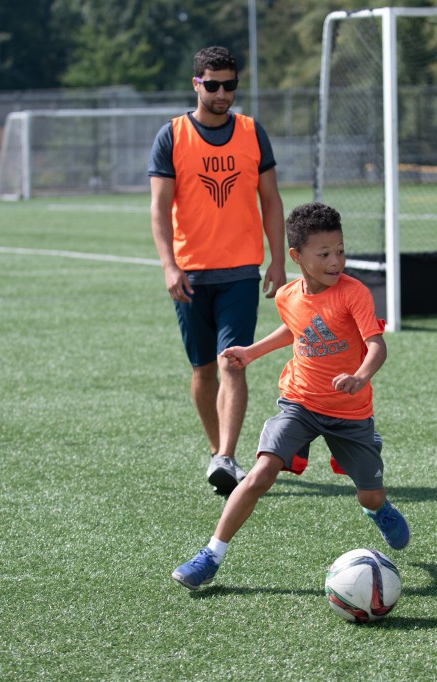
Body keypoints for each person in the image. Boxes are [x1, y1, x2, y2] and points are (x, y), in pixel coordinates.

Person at [171, 202, 410, 590]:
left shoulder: (355, 293)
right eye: (324, 254)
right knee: (261, 473)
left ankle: (378, 510)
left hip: (350, 412)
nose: (336, 261)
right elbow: (296, 328)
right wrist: (251, 352)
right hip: (299, 403)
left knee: (369, 495)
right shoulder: (287, 295)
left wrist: (361, 376)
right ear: (297, 257)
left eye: (340, 251)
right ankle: (211, 555)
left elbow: (376, 345)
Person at [148, 46, 286, 496]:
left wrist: (278, 259)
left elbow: (271, 199)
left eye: (230, 85)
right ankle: (217, 452)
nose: (223, 93)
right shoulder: (171, 136)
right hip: (189, 274)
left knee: (233, 362)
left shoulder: (252, 132)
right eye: (213, 85)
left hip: (241, 272)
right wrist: (168, 265)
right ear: (196, 84)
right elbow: (159, 208)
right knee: (203, 369)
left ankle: (227, 455)